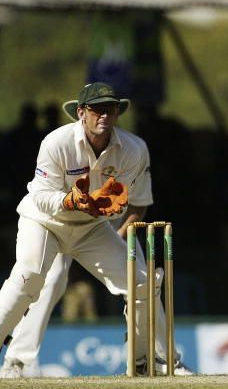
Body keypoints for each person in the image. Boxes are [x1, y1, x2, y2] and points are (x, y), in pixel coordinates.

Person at [0, 82, 190, 378]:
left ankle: (150, 361)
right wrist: (69, 200)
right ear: (80, 113)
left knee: (143, 283)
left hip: (93, 228)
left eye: (110, 109)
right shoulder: (56, 142)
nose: (104, 115)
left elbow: (135, 204)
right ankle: (16, 363)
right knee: (30, 279)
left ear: (118, 113)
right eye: (97, 109)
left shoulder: (133, 149)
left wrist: (111, 234)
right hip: (45, 221)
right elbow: (40, 196)